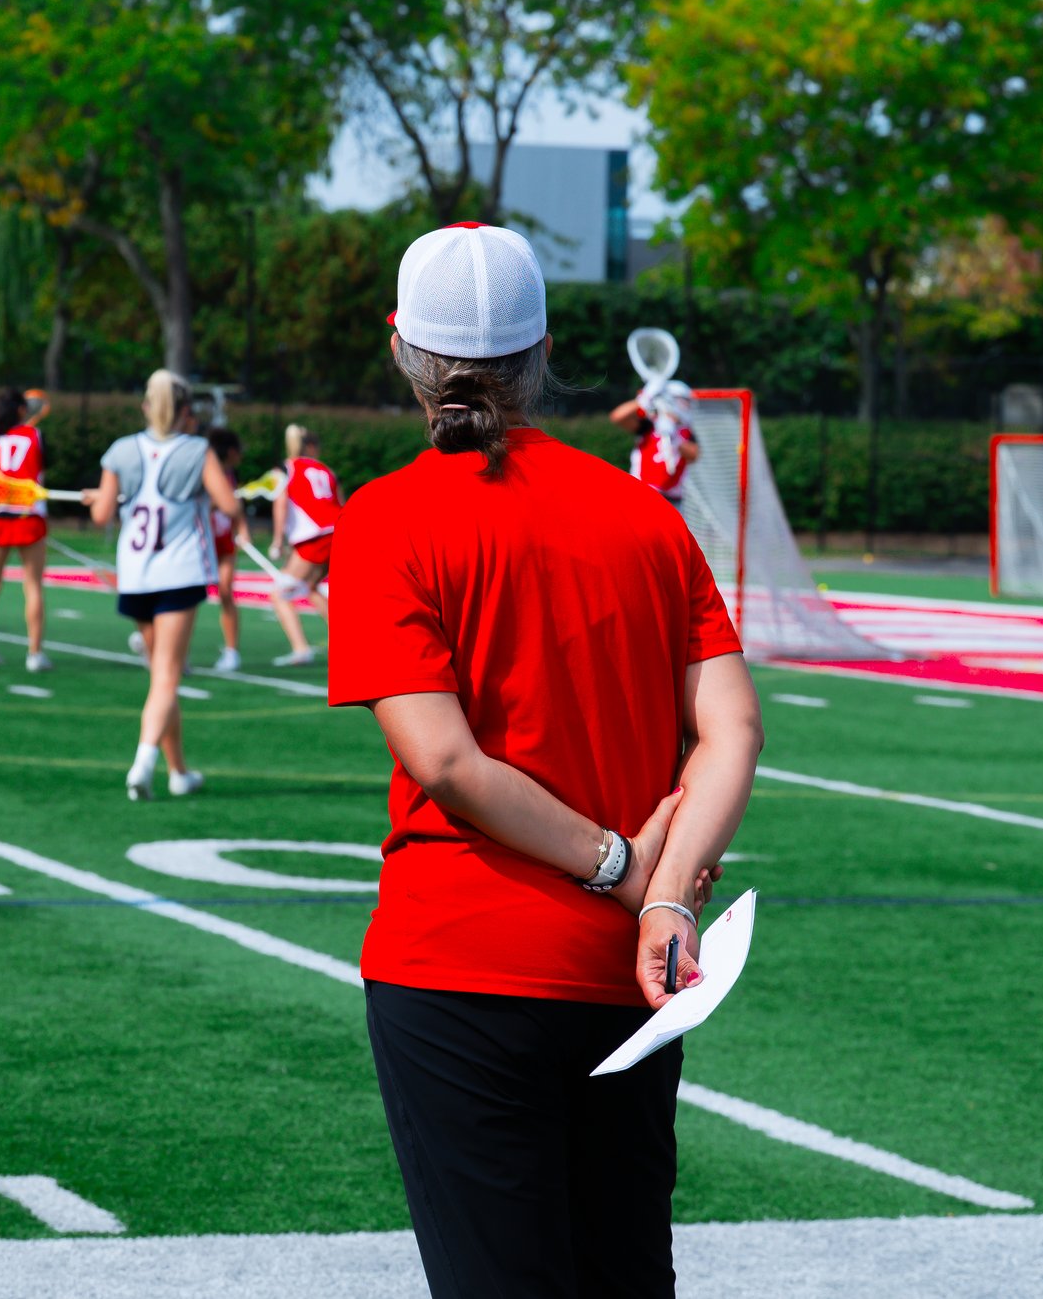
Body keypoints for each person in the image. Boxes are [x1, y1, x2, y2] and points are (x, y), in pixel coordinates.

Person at [329, 221, 763, 1298]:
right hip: (628, 977)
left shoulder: (386, 517)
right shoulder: (642, 517)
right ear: (543, 350)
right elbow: (734, 729)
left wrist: (622, 869)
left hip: (457, 966)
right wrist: (663, 900)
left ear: (401, 347)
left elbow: (444, 762)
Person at [87, 370, 247, 800]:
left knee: (162, 674)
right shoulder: (197, 451)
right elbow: (229, 505)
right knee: (165, 678)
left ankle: (179, 771)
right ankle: (143, 763)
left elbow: (102, 515)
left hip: (136, 576)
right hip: (178, 573)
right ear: (185, 412)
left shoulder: (121, 450)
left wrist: (101, 498)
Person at [0, 387, 58, 674]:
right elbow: (46, 465)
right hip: (28, 519)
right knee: (32, 586)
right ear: (21, 410)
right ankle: (34, 653)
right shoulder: (35, 436)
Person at [265, 425, 343, 667]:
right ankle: (345, 643)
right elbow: (340, 501)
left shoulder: (286, 467)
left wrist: (278, 541)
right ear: (311, 446)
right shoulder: (326, 470)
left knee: (279, 594)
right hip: (337, 532)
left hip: (314, 536)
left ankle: (301, 648)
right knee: (310, 587)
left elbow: (280, 503)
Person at [612, 380, 698, 508]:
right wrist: (644, 398)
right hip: (642, 494)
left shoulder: (686, 431)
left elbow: (694, 455)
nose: (686, 405)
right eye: (682, 400)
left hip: (672, 500)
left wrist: (674, 436)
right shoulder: (650, 424)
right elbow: (618, 416)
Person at [204, 426, 247, 673]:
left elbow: (236, 505)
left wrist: (243, 529)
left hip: (224, 542)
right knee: (185, 597)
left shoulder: (230, 474)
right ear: (229, 451)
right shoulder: (206, 471)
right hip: (201, 541)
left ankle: (232, 652)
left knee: (225, 591)